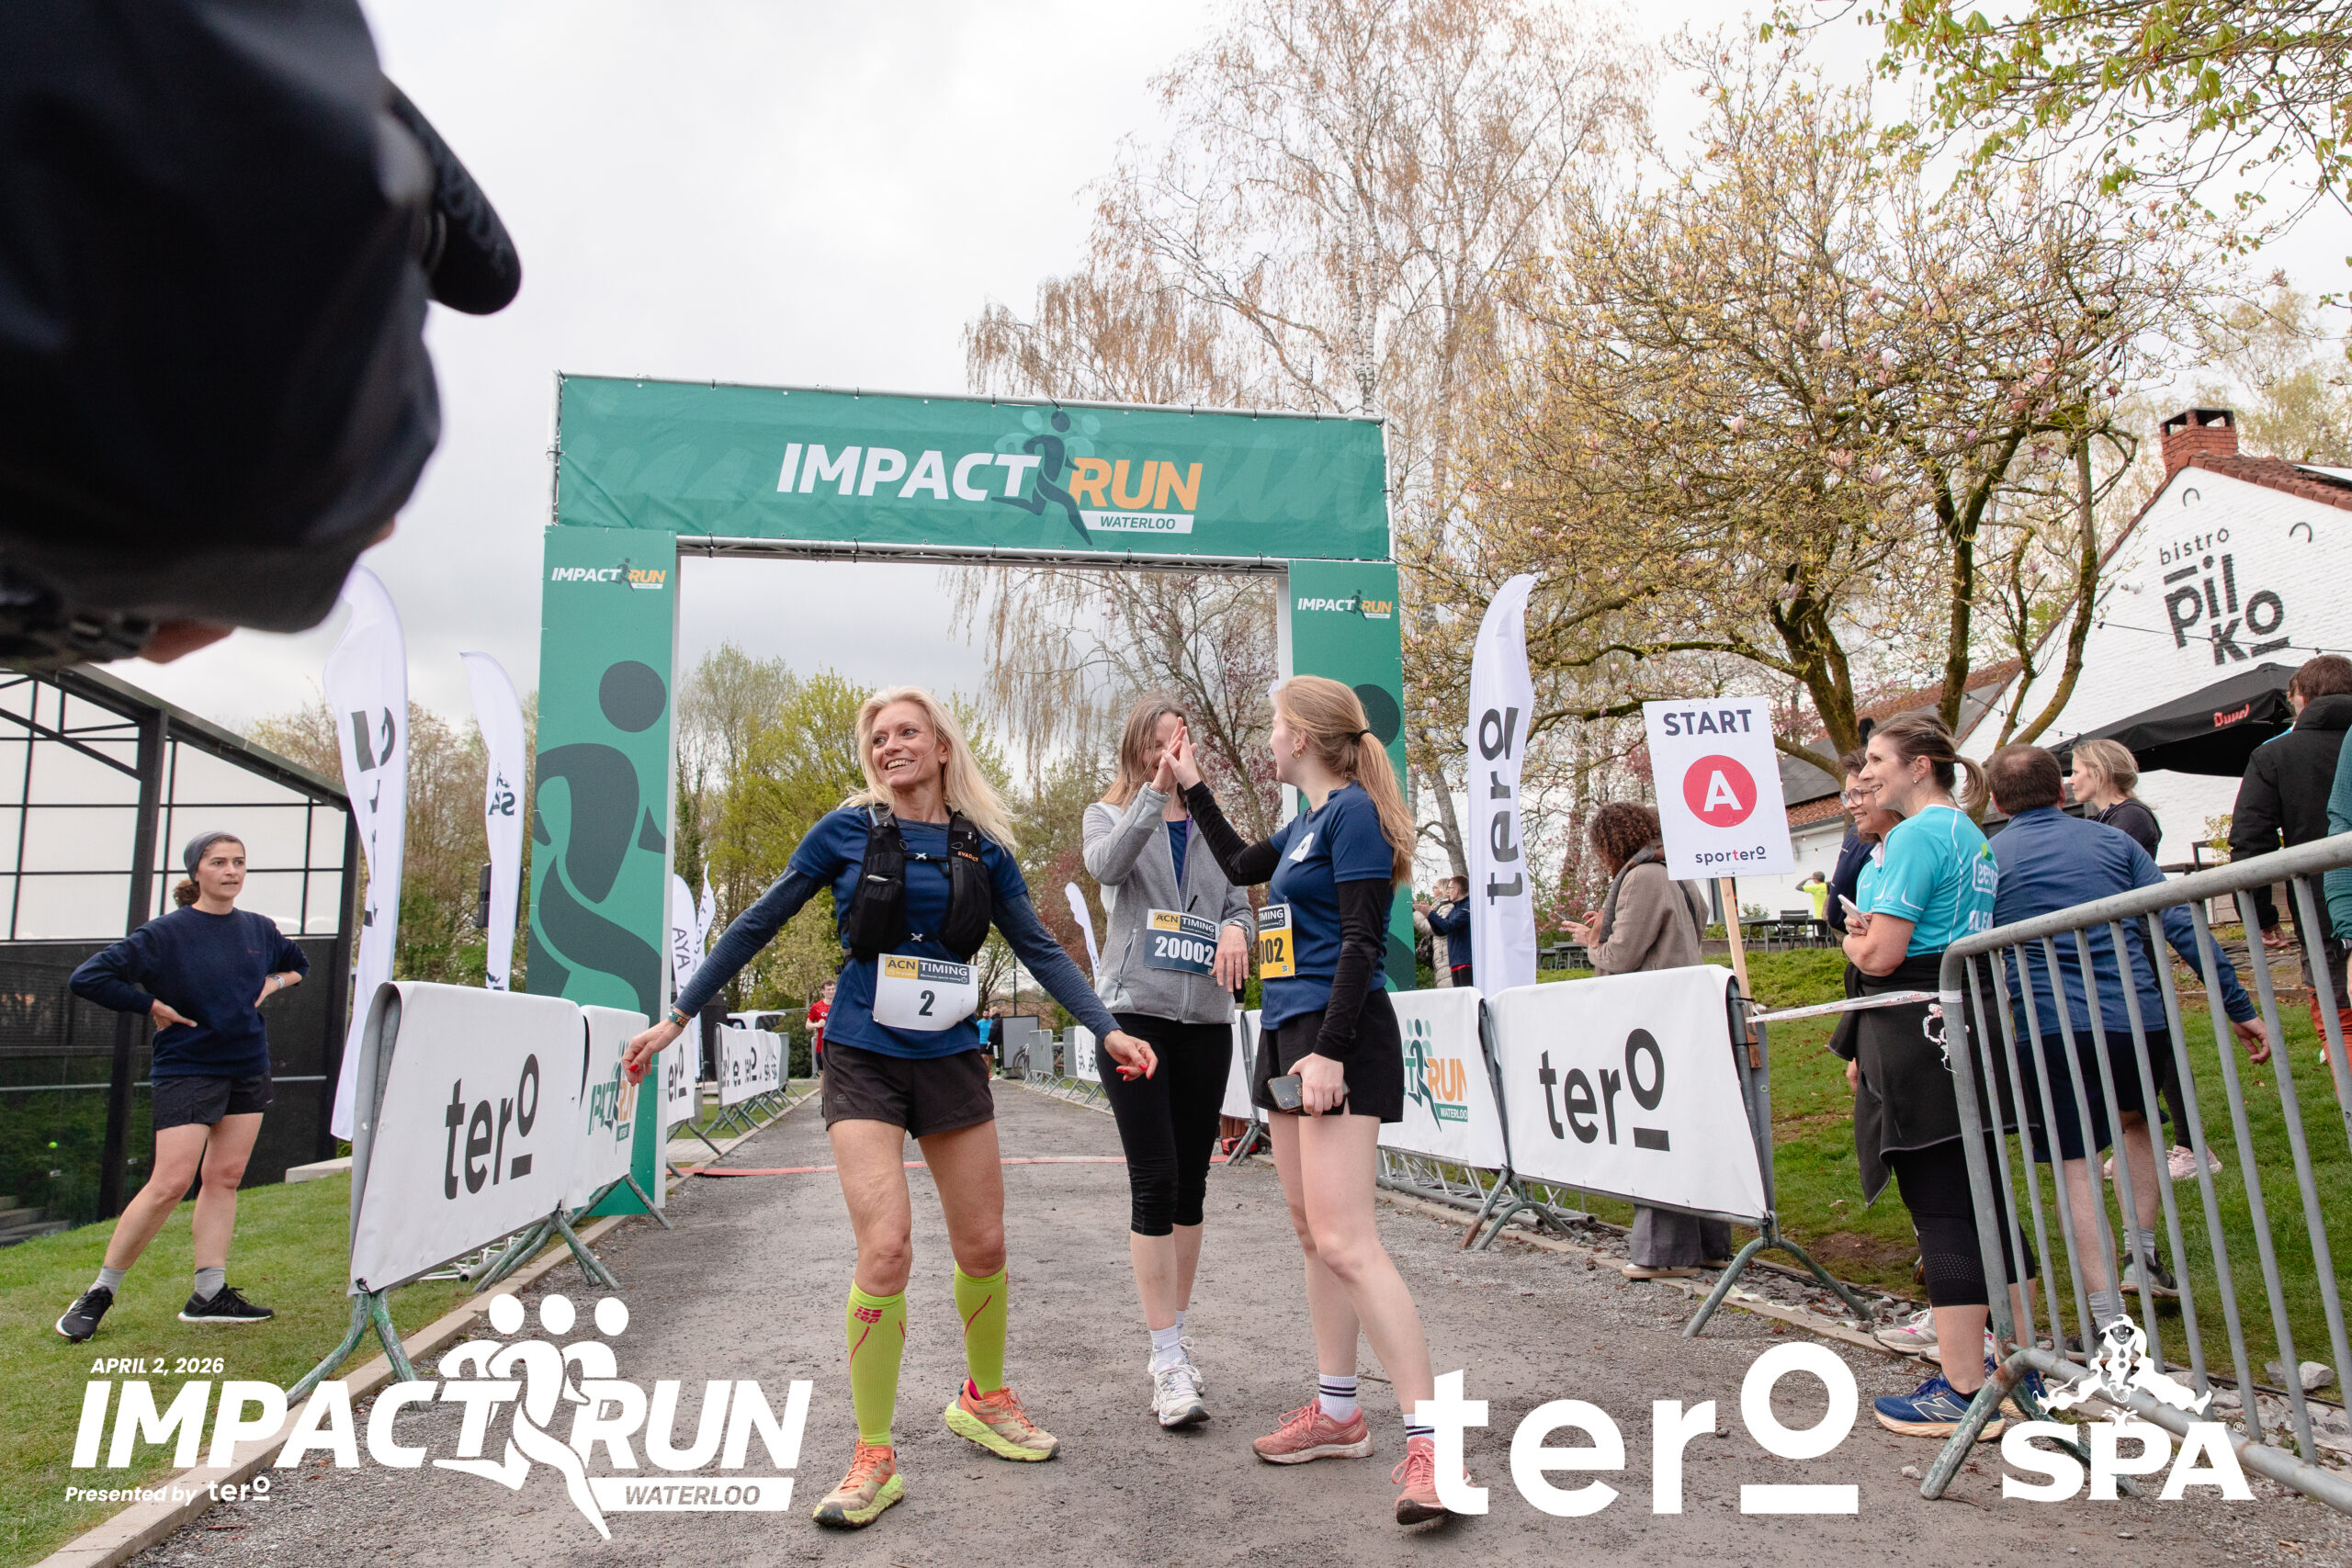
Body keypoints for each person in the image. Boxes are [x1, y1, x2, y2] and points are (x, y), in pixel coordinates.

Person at [620, 688, 1157, 1532]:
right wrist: (678, 1015)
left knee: (985, 1243)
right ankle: (873, 1451)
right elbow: (756, 924)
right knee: (888, 1245)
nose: (890, 744)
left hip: (950, 1058)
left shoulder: (983, 849)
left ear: (942, 747)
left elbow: (1039, 947)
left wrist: (1106, 1028)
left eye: (908, 731)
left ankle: (984, 1398)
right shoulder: (843, 833)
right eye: (878, 736)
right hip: (865, 1057)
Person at [1169, 675, 1462, 1526]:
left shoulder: (1353, 816)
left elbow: (1365, 941)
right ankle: (1338, 1412)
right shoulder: (1304, 822)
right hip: (1289, 1033)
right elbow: (1237, 864)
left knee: (1348, 1239)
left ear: (1300, 736)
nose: (1267, 737)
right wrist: (1192, 784)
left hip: (1340, 1037)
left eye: (1273, 725)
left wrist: (1331, 1050)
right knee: (1312, 1233)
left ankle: (1433, 1446)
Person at [1985, 745, 2268, 1340]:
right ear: (2061, 791)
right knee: (2137, 1122)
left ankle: (2108, 1319)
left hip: (2048, 1026)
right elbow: (2180, 919)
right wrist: (2237, 1005)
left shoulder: (1990, 859)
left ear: (1996, 802)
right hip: (2133, 1016)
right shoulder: (2115, 843)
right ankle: (2142, 1252)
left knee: (2076, 1164)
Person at [1836, 715, 2038, 1440]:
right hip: (1965, 1022)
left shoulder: (1918, 834)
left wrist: (1854, 941)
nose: (1866, 775)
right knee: (1985, 1198)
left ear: (1919, 766)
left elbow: (1882, 953)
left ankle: (1962, 1387)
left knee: (1943, 1204)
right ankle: (2019, 1368)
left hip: (1921, 1032)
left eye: (1878, 760)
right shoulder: (1968, 832)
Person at [55, 833, 308, 1340]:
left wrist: (273, 982)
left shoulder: (259, 928)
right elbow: (88, 978)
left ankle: (209, 1294)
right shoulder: (164, 934)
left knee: (225, 1177)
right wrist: (150, 1005)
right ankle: (99, 1292)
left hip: (247, 1065)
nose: (232, 871)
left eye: (239, 862)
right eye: (219, 862)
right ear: (197, 873)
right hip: (188, 1066)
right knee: (170, 1183)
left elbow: (298, 965)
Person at [1081, 693, 1253, 1429]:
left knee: (1191, 1184)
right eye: (1158, 743)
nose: (1170, 754)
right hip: (1136, 1021)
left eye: (1179, 741)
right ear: (1137, 749)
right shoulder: (1107, 813)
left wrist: (1238, 930)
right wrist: (1153, 796)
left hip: (1206, 1023)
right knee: (1153, 1180)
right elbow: (1108, 866)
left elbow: (1239, 899)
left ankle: (1175, 1340)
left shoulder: (1211, 820)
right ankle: (1165, 1359)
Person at [1561, 803, 1722, 1279]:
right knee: (1689, 1131)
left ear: (1611, 843)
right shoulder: (1679, 872)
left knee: (1654, 1136)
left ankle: (1665, 1252)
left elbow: (1620, 956)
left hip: (1651, 1019)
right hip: (1684, 1012)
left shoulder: (1642, 877)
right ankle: (1709, 1243)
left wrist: (1592, 942)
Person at [2066, 739, 2204, 1176]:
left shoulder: (2131, 818)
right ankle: (2137, 1142)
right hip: (2118, 942)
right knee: (2132, 1043)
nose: (2072, 780)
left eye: (2077, 770)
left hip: (2136, 943)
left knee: (2159, 1042)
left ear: (2100, 771)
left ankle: (2192, 1148)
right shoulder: (2106, 818)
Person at [2230, 655, 2352, 1050]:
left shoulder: (2274, 755)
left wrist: (2262, 917)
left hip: (2325, 912)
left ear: (2301, 698)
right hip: (2328, 908)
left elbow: (2251, 842)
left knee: (2342, 1022)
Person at [1824, 749, 1883, 936]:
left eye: (1858, 793)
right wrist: (1855, 928)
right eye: (1847, 796)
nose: (1850, 805)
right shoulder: (1871, 865)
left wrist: (1854, 942)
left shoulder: (1910, 852)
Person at [1426, 877, 1472, 988]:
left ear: (1457, 890)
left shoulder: (1467, 907)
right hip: (1455, 961)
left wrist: (1430, 913)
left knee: (1467, 995)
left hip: (1466, 961)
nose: (1447, 891)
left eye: (1450, 888)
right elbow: (1441, 930)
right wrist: (1428, 915)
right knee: (1459, 996)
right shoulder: (1455, 909)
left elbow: (1448, 926)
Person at [808, 976, 835, 1075]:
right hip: (822, 1046)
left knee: (837, 1074)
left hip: (837, 1046)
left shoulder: (839, 1005)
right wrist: (817, 1024)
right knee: (823, 1074)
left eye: (833, 989)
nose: (831, 992)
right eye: (828, 989)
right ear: (823, 991)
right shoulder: (816, 1007)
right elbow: (807, 1025)